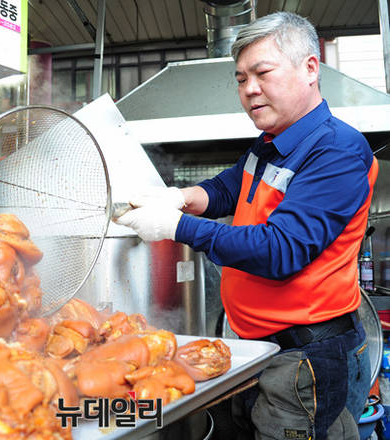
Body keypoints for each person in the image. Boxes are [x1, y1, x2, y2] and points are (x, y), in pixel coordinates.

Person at [115, 11, 378, 440]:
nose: (249, 89)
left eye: (262, 73)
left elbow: (280, 251)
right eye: (240, 79)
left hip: (305, 356)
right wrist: (179, 197)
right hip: (262, 346)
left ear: (310, 68)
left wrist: (176, 226)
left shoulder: (337, 151)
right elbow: (228, 187)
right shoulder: (271, 143)